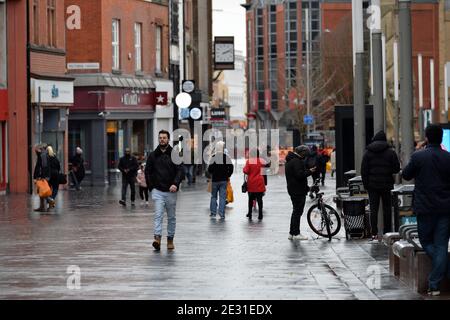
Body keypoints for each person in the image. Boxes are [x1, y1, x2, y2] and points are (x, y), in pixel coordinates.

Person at [402, 125, 450, 296]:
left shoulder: (418, 156)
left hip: (424, 207)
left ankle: (435, 282)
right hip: (445, 208)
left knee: (426, 241)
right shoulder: (448, 157)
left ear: (427, 138)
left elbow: (406, 175)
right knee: (441, 244)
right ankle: (437, 281)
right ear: (441, 137)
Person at [145, 130, 184, 251]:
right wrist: (151, 187)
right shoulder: (153, 155)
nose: (162, 139)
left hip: (171, 191)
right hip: (157, 191)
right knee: (158, 215)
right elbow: (148, 171)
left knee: (171, 217)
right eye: (160, 138)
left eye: (164, 138)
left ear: (168, 139)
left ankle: (170, 239)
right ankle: (157, 239)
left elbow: (180, 170)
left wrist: (175, 184)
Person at [361, 130, 400, 241]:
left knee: (374, 209)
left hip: (372, 185)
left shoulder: (368, 152)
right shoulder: (391, 152)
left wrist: (366, 185)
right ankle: (387, 232)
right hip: (386, 185)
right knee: (387, 209)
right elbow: (396, 168)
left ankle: (374, 233)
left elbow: (364, 170)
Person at [285, 145, 316, 240]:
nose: (305, 156)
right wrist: (310, 171)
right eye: (305, 154)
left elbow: (296, 176)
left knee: (295, 211)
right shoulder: (296, 161)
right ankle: (296, 233)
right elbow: (299, 175)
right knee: (298, 212)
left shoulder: (291, 160)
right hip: (297, 190)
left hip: (293, 189)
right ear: (302, 153)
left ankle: (291, 233)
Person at [207, 141, 234, 220]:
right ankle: (221, 214)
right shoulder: (226, 157)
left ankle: (213, 213)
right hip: (223, 180)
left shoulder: (213, 157)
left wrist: (213, 173)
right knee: (222, 197)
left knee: (213, 196)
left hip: (215, 180)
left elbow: (209, 169)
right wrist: (228, 174)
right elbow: (231, 167)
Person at [243, 149, 268, 220]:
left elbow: (246, 171)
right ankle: (260, 214)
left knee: (250, 199)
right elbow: (267, 165)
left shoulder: (249, 161)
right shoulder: (262, 161)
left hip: (251, 182)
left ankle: (250, 213)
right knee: (260, 199)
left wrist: (244, 168)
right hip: (260, 181)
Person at [33, 144, 51, 212]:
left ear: (40, 149)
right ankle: (42, 207)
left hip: (42, 177)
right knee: (41, 192)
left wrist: (41, 176)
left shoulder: (43, 156)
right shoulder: (41, 155)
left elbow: (43, 167)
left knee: (43, 192)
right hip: (42, 176)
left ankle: (50, 202)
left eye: (36, 149)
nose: (35, 151)